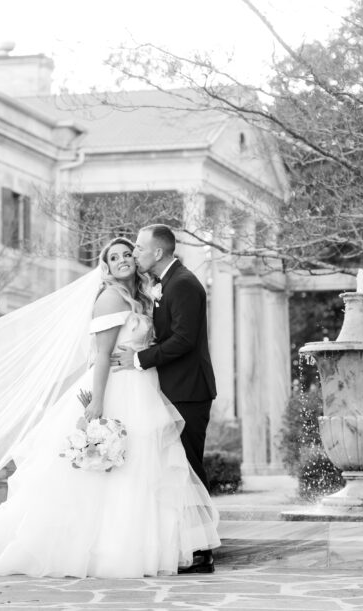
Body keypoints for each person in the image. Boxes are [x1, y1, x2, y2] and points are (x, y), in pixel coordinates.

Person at [0, 237, 219, 577]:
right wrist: (98, 401)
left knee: (143, 470)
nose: (124, 260)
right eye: (114, 258)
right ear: (107, 267)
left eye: (128, 253)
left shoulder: (146, 297)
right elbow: (101, 355)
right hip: (117, 388)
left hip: (144, 388)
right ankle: (109, 548)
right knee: (117, 471)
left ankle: (149, 545)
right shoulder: (110, 298)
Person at [111, 224, 217, 574]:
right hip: (175, 388)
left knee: (189, 470)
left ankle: (201, 551)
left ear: (158, 252)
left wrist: (140, 360)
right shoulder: (167, 284)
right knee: (178, 471)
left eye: (139, 248)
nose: (135, 253)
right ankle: (186, 545)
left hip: (189, 391)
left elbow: (185, 340)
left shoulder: (183, 283)